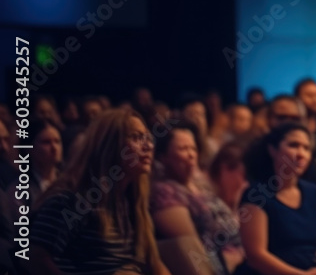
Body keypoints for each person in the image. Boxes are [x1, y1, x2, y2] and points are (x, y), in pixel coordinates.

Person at [31, 109, 169, 275]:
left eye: (148, 138)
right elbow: (34, 260)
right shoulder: (73, 200)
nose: (148, 146)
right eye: (136, 137)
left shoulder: (131, 201)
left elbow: (155, 265)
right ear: (109, 145)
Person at [237, 122, 316, 275]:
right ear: (273, 150)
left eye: (307, 148)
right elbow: (256, 256)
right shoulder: (256, 195)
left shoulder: (315, 193)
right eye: (294, 145)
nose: (301, 154)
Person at [151, 119, 244, 275]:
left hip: (241, 255)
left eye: (193, 148)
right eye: (183, 149)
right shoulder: (165, 192)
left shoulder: (203, 185)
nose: (191, 155)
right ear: (163, 156)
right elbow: (191, 249)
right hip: (219, 265)